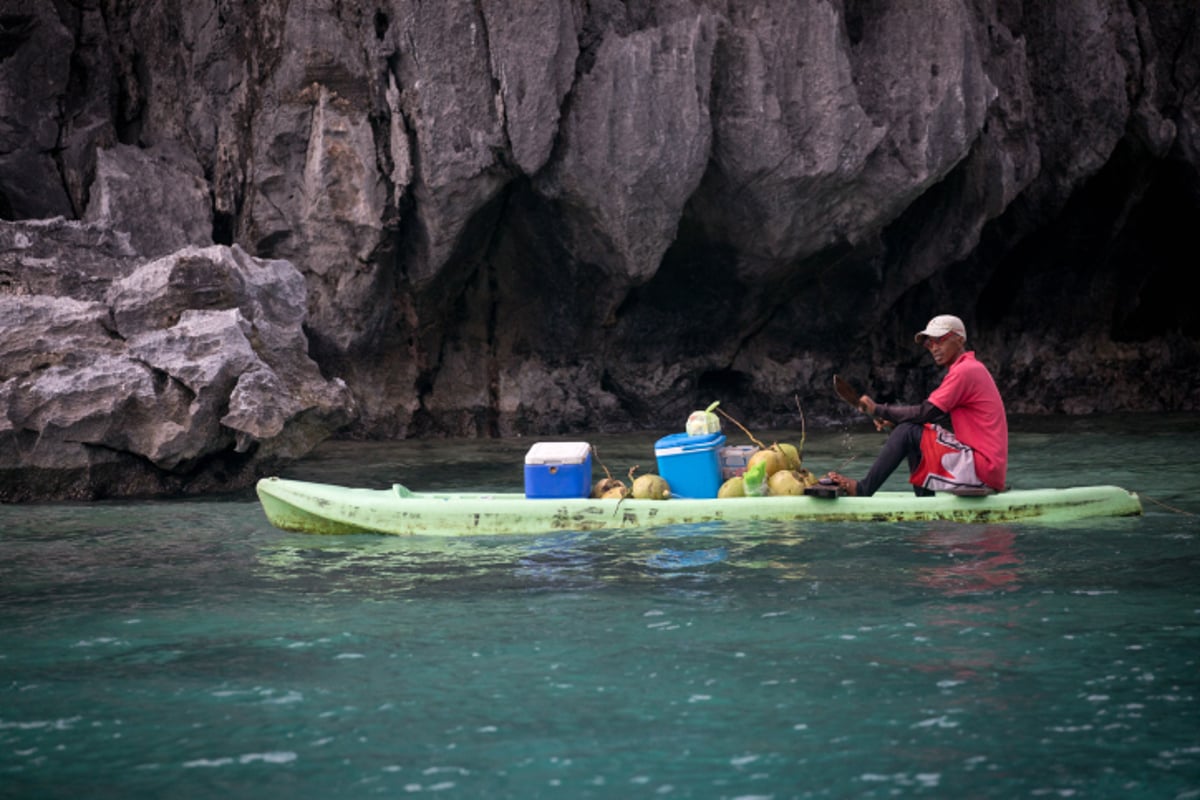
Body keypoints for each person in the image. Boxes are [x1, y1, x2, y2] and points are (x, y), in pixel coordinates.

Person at [827, 314, 1008, 497]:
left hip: (983, 469)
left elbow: (926, 412)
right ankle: (925, 501)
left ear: (960, 340)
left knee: (908, 431)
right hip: (986, 468)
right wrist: (894, 421)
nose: (934, 348)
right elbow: (928, 417)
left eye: (939, 340)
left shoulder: (965, 371)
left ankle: (863, 489)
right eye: (929, 344)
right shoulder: (968, 368)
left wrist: (879, 410)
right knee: (912, 431)